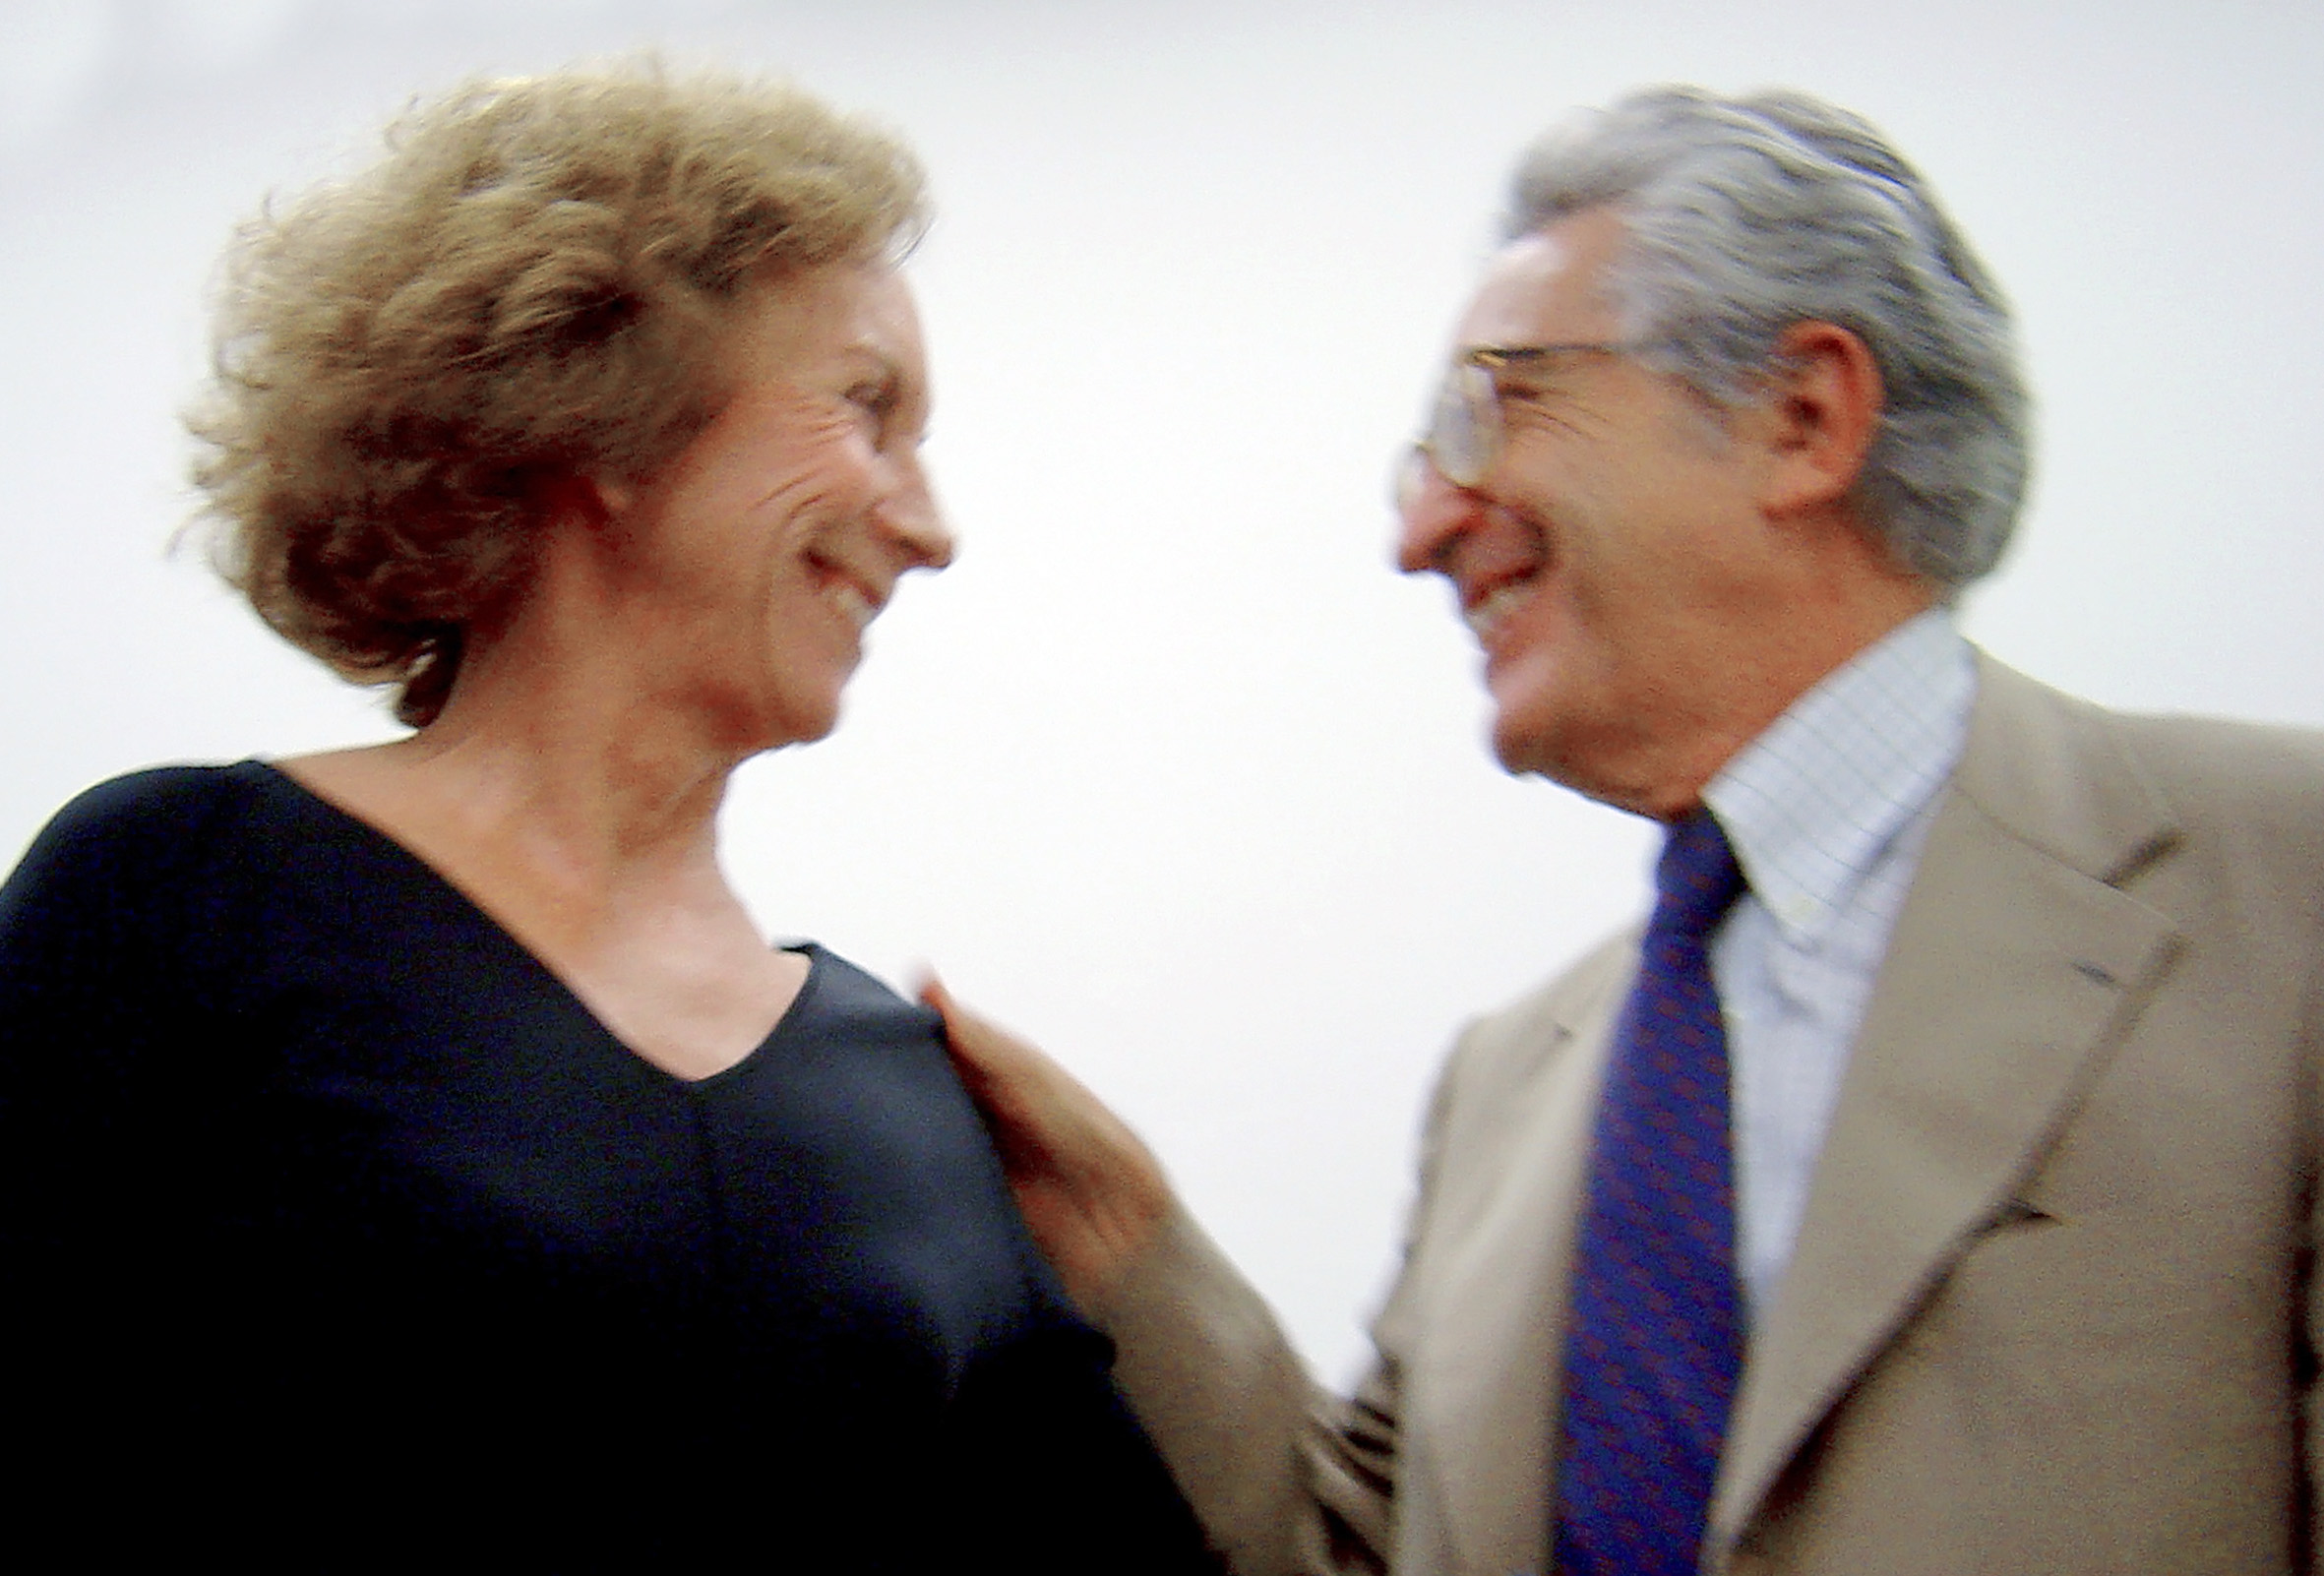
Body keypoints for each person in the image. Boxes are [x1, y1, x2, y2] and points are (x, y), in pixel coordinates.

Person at [927, 86, 2324, 1575]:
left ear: (1801, 419)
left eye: (1489, 412)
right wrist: (1127, 1253)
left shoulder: (2281, 880)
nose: (1419, 532)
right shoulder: (1502, 1084)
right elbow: (1356, 1552)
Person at [0, 63, 1215, 1569]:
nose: (930, 526)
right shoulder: (179, 896)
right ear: (604, 409)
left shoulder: (907, 1090)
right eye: (866, 408)